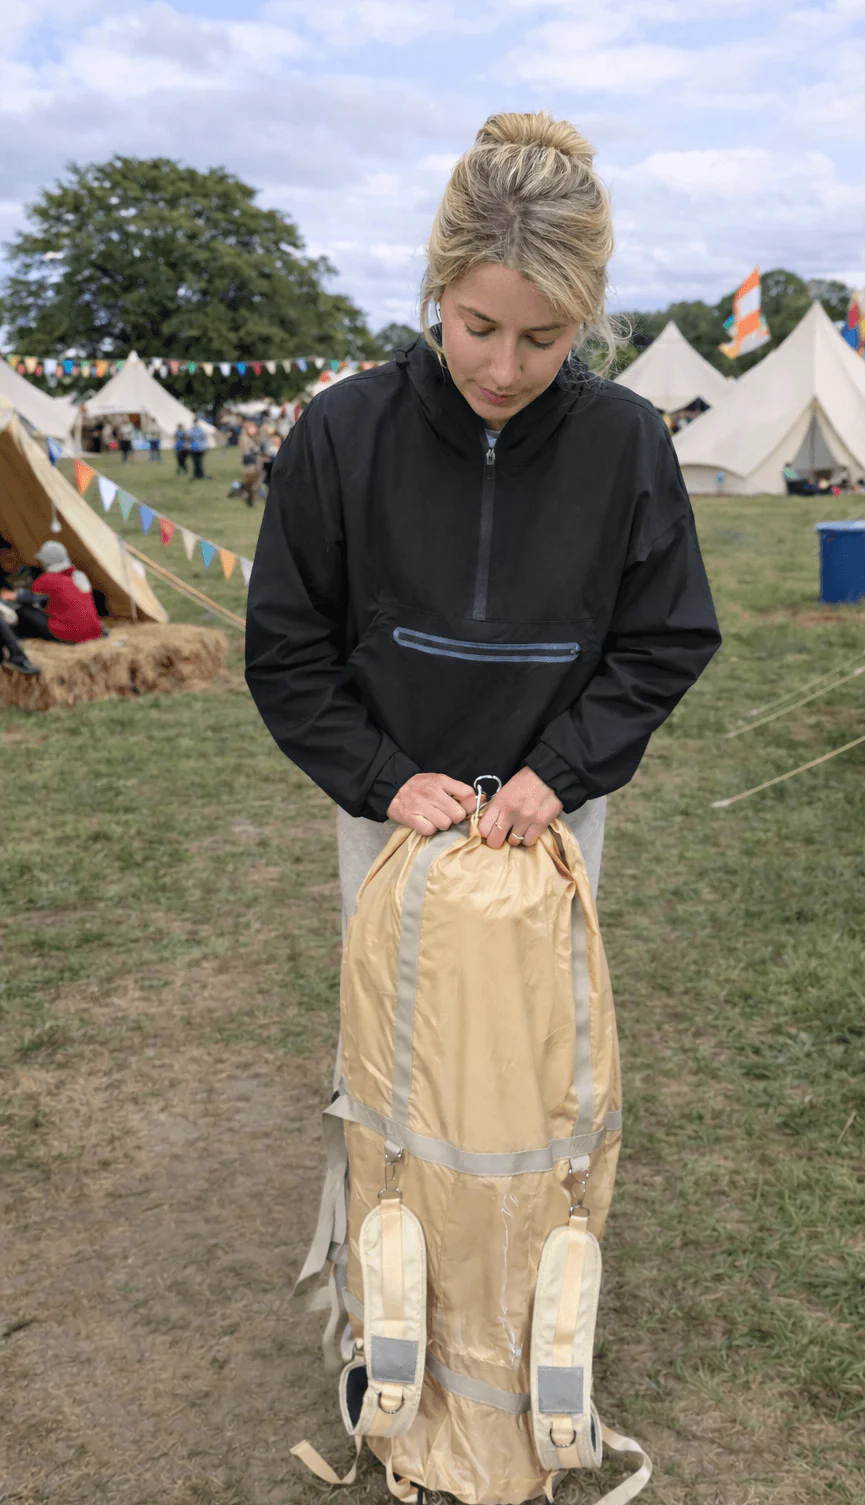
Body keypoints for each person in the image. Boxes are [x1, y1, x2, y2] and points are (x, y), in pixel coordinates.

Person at [246, 109, 720, 923]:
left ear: (588, 314)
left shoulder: (626, 439)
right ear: (439, 291)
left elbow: (666, 638)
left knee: (539, 1042)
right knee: (398, 1043)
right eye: (478, 327)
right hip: (390, 813)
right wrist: (378, 774)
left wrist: (563, 772)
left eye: (543, 336)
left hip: (550, 814)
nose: (504, 370)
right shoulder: (343, 430)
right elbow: (287, 645)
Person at [7, 541, 103, 647]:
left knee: (24, 611)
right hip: (94, 632)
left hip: (71, 635)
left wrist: (10, 595)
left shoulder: (48, 579)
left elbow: (27, 598)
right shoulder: (79, 575)